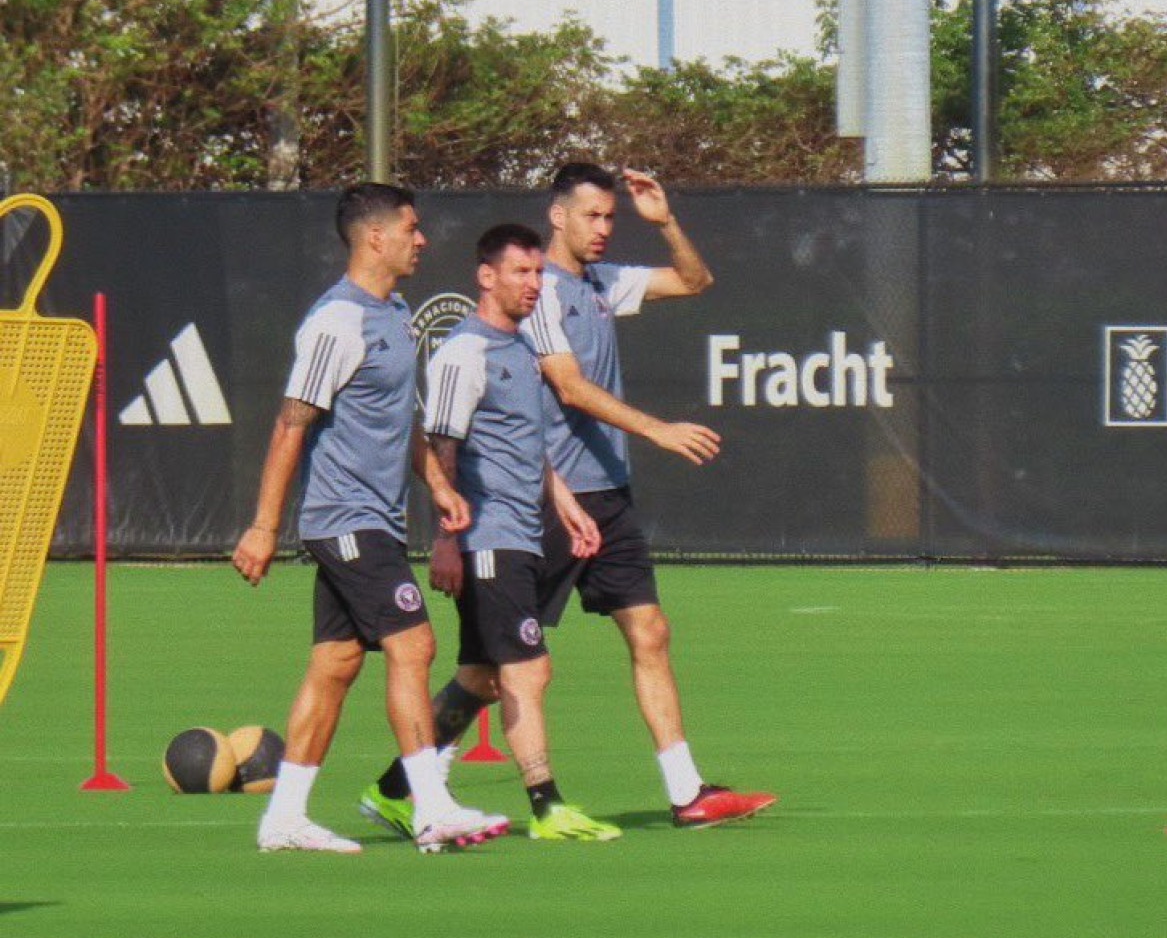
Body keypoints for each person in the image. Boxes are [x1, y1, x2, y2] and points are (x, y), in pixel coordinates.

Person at [232, 182, 499, 855]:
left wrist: (436, 479)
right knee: (415, 645)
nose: (422, 238)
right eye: (411, 227)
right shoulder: (336, 322)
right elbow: (290, 425)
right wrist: (264, 525)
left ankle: (284, 816)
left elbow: (398, 416)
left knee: (336, 663)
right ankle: (431, 805)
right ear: (374, 236)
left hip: (373, 518)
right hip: (343, 519)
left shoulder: (395, 312)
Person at [524, 162, 776, 828]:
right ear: (559, 216)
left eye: (611, 217)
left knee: (650, 631)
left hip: (608, 492)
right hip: (551, 496)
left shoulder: (604, 282)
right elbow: (570, 387)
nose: (604, 228)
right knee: (498, 665)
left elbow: (695, 280)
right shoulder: (538, 291)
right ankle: (409, 782)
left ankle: (686, 790)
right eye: (592, 216)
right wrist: (657, 428)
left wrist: (665, 224)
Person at [360, 223, 621, 842]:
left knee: (480, 677)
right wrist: (446, 540)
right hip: (487, 539)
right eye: (520, 273)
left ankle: (393, 790)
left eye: (537, 273)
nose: (533, 285)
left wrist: (565, 503)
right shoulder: (463, 353)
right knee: (528, 671)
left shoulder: (523, 350)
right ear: (486, 276)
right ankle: (546, 806)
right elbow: (439, 449)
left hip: (523, 532)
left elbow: (527, 446)